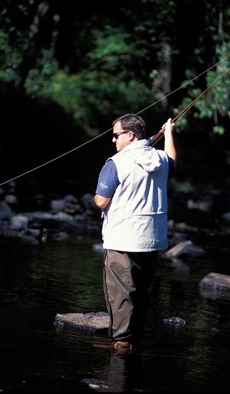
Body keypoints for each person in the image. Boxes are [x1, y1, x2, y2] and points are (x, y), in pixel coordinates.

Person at [94, 113, 176, 354]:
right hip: (152, 239)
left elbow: (100, 201)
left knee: (121, 294)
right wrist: (170, 133)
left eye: (116, 135)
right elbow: (172, 160)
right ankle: (134, 341)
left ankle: (121, 343)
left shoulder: (116, 162)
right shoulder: (160, 159)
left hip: (122, 239)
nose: (113, 140)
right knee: (142, 292)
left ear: (130, 135)